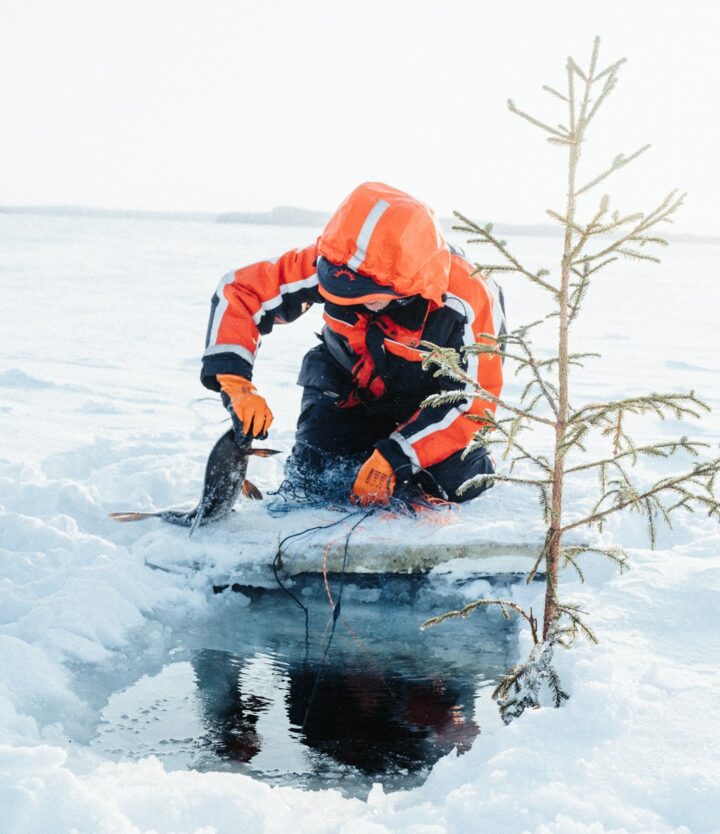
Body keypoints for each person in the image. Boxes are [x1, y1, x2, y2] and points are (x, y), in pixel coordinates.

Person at [200, 182, 506, 506]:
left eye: (364, 295)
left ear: (403, 288)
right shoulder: (335, 260)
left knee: (449, 485)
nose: (350, 300)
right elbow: (241, 292)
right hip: (346, 389)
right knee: (314, 482)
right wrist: (235, 382)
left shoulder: (467, 299)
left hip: (427, 408)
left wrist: (395, 456)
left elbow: (474, 402)